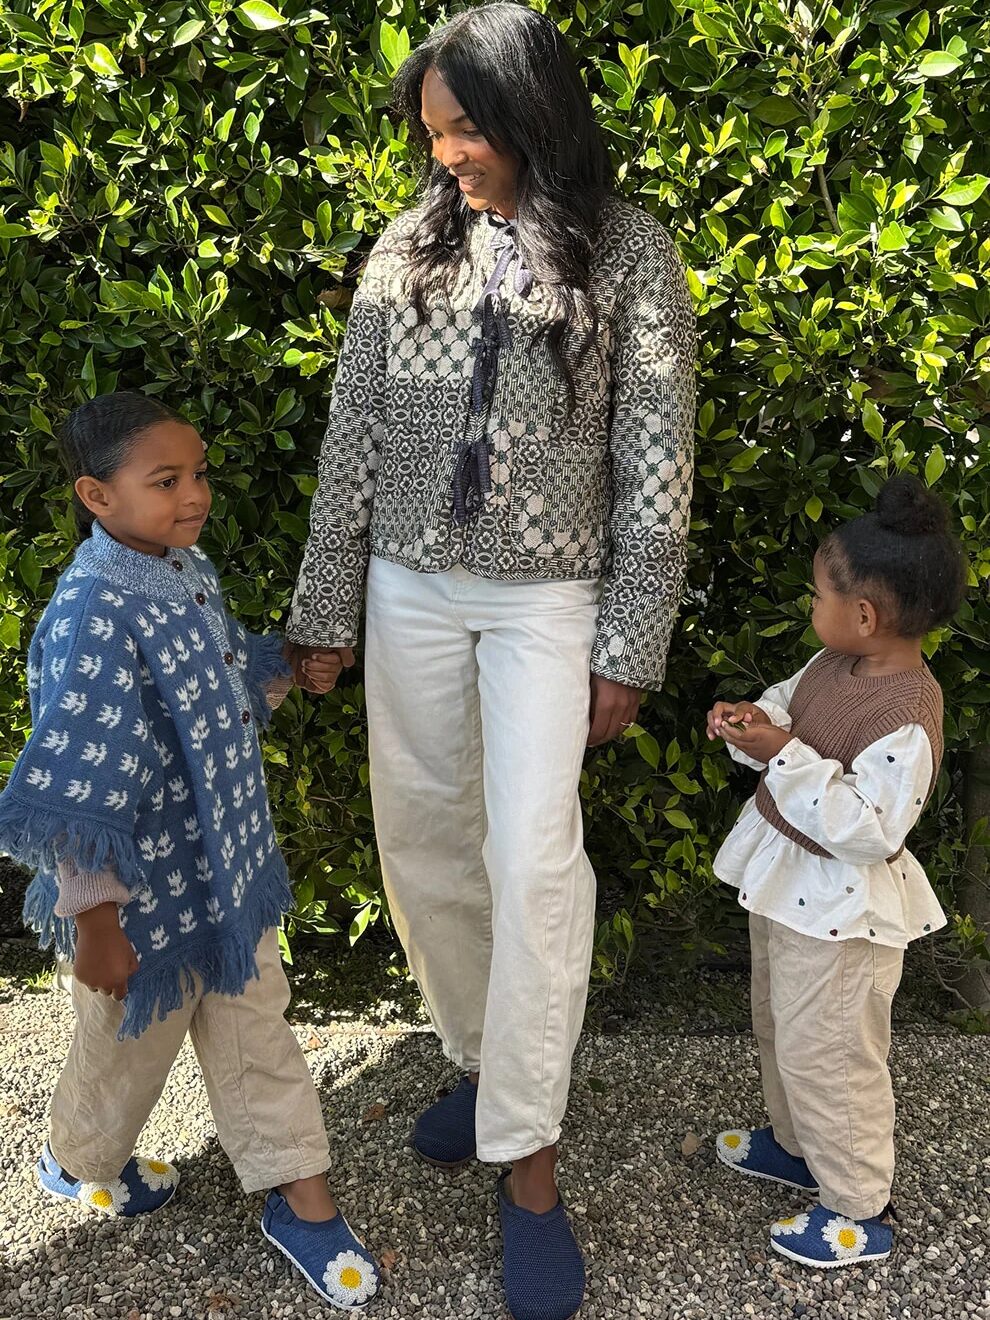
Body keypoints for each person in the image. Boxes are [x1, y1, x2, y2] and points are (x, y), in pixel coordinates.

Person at [287, 5, 695, 1315]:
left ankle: (529, 1160)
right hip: (408, 585)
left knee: (531, 860)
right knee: (422, 840)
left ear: (531, 112)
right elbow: (354, 432)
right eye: (433, 132)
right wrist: (325, 608)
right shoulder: (406, 249)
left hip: (546, 601)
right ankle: (481, 1063)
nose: (447, 152)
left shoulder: (628, 253)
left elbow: (656, 458)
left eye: (465, 128)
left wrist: (629, 640)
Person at [0, 392, 380, 1312]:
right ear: (97, 495)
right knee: (125, 1053)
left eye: (198, 474)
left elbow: (220, 685)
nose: (195, 495)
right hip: (142, 903)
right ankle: (77, 1160)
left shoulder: (182, 569)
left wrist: (289, 665)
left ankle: (302, 1198)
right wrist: (96, 922)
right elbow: (82, 786)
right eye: (165, 480)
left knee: (259, 1028)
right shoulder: (91, 612)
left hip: (229, 877)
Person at [707, 474, 967, 1269]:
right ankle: (797, 1147)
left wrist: (782, 753)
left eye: (819, 593)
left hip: (842, 917)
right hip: (791, 894)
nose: (810, 604)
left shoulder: (907, 717)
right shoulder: (834, 662)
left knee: (832, 1057)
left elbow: (868, 828)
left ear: (864, 615)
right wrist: (758, 721)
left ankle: (859, 1207)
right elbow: (790, 703)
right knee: (781, 1028)